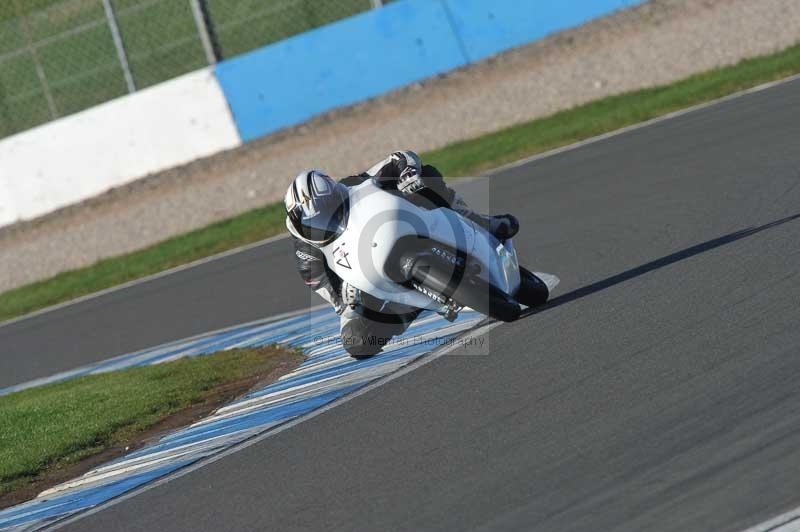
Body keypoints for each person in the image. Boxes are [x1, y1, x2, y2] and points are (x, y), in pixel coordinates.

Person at [284, 150, 519, 359]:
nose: (324, 219)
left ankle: (477, 220)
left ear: (335, 192)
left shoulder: (352, 186)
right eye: (315, 220)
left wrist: (408, 173)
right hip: (360, 278)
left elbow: (399, 158)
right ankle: (409, 308)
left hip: (396, 229)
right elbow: (333, 297)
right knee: (356, 342)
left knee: (427, 175)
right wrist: (347, 300)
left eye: (328, 208)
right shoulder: (307, 254)